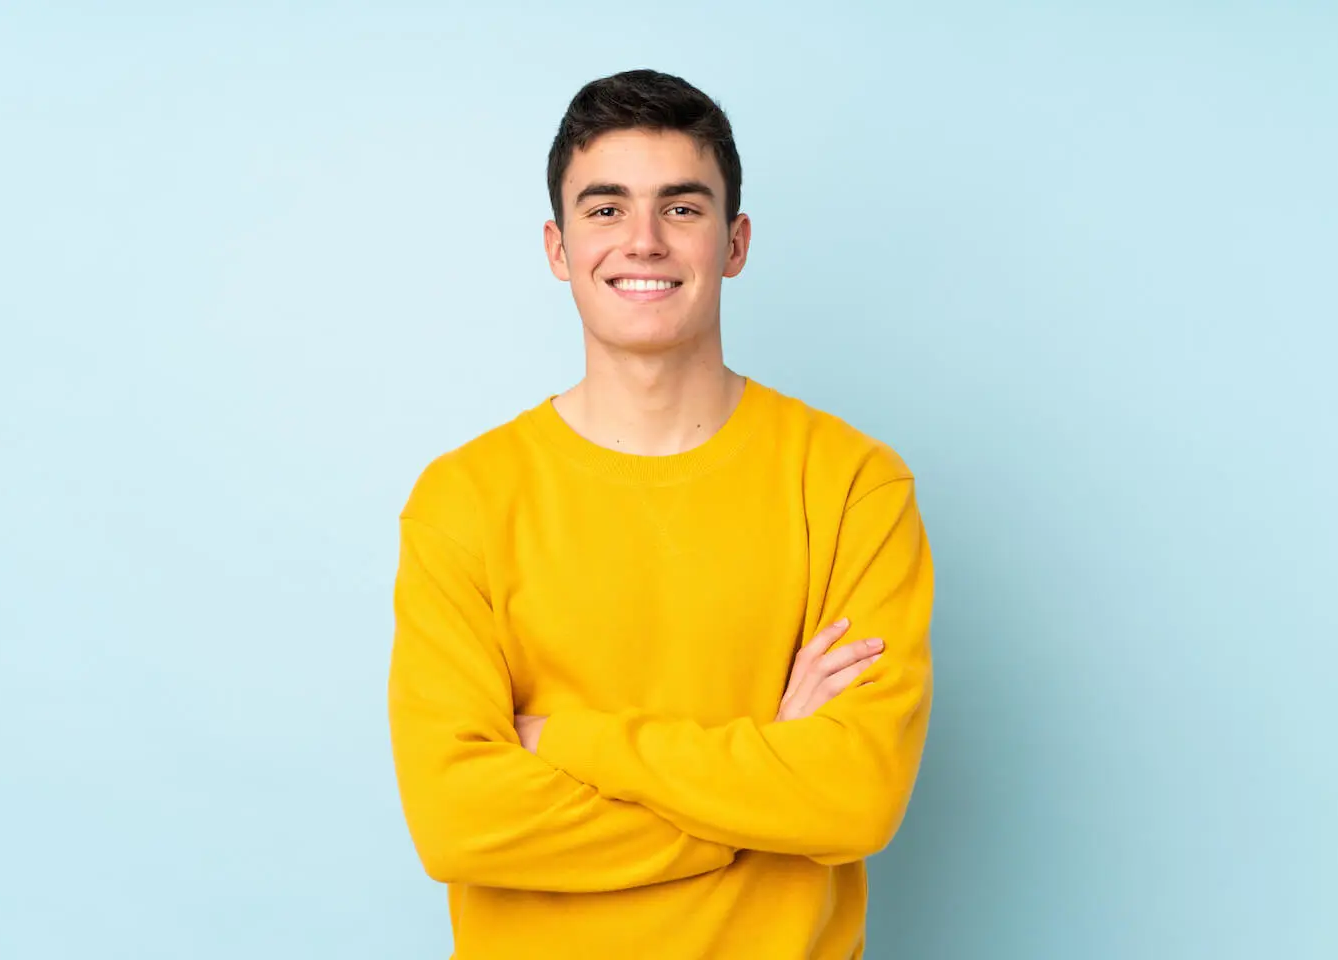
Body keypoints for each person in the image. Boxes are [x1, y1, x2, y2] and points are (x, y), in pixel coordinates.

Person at [387, 68, 934, 960]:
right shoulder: (464, 501)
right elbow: (457, 822)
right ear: (559, 248)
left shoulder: (850, 486)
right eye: (605, 210)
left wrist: (566, 742)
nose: (642, 240)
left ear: (735, 242)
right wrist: (765, 795)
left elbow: (855, 797)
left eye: (681, 208)